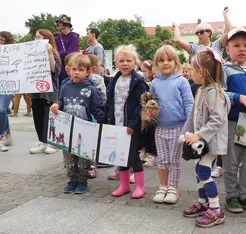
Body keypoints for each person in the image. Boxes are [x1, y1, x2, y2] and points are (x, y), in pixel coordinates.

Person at [182, 48, 230, 228]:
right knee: (198, 170)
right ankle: (203, 203)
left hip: (212, 142)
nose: (190, 73)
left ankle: (216, 210)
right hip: (201, 142)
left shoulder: (214, 92)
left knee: (203, 172)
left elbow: (218, 119)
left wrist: (199, 135)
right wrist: (186, 133)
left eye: (192, 70)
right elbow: (192, 116)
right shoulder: (201, 91)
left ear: (201, 72)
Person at [50, 53, 104, 194]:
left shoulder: (91, 89)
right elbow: (61, 102)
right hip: (67, 129)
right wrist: (56, 105)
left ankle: (82, 181)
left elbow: (96, 109)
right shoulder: (65, 86)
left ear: (87, 72)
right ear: (69, 70)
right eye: (74, 69)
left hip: (84, 129)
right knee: (69, 156)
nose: (76, 72)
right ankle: (72, 180)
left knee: (83, 157)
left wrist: (101, 125)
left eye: (80, 70)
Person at [222, 27, 246, 214]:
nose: (242, 49)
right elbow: (218, 94)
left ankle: (245, 195)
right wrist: (238, 97)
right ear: (227, 49)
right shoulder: (224, 70)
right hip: (232, 123)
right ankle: (231, 196)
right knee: (230, 161)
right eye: (236, 45)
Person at [150, 45, 194, 204]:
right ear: (157, 64)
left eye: (169, 59)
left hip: (178, 127)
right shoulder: (154, 82)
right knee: (161, 159)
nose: (165, 63)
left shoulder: (182, 81)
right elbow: (151, 103)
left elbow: (189, 103)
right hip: (160, 127)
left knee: (174, 160)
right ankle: (162, 186)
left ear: (176, 62)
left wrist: (189, 126)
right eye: (161, 60)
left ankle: (173, 187)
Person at [106, 45, 148, 199]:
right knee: (120, 156)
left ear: (135, 63)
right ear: (116, 63)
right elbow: (109, 102)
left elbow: (142, 105)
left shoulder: (138, 81)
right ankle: (123, 186)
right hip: (116, 125)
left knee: (134, 156)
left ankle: (139, 187)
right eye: (121, 60)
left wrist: (133, 124)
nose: (125, 63)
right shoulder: (114, 79)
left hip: (131, 127)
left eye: (128, 60)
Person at [29, 29, 61, 154]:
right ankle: (42, 141)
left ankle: (53, 143)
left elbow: (54, 70)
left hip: (48, 93)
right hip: (35, 92)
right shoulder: (33, 54)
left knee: (48, 118)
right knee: (38, 118)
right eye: (36, 37)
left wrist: (49, 53)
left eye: (39, 37)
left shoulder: (53, 53)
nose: (36, 39)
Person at [55, 14, 80, 85]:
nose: (58, 24)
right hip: (59, 70)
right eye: (58, 22)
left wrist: (59, 54)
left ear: (66, 23)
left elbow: (72, 53)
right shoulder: (56, 38)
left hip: (71, 70)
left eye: (60, 22)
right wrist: (63, 54)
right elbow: (55, 54)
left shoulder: (74, 37)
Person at [0, 31, 15, 152]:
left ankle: (0, 137)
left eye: (2, 39)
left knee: (1, 109)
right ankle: (7, 134)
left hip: (8, 86)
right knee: (2, 111)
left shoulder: (14, 52)